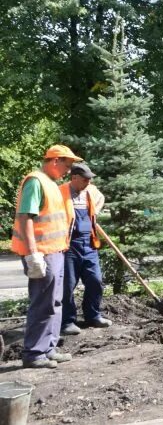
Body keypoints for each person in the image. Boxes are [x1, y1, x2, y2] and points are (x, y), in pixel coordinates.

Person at [11, 145, 80, 369]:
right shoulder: (36, 181)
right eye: (67, 166)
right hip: (42, 253)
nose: (69, 171)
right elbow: (25, 217)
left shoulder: (51, 184)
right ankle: (34, 353)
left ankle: (49, 348)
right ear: (54, 161)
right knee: (42, 303)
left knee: (55, 301)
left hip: (56, 251)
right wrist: (33, 254)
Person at [60, 163, 113, 335]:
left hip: (89, 244)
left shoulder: (90, 190)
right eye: (85, 179)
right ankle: (67, 321)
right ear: (74, 178)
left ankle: (93, 315)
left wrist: (95, 211)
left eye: (90, 179)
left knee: (95, 280)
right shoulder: (61, 192)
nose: (88, 182)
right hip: (68, 245)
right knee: (67, 285)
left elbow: (101, 198)